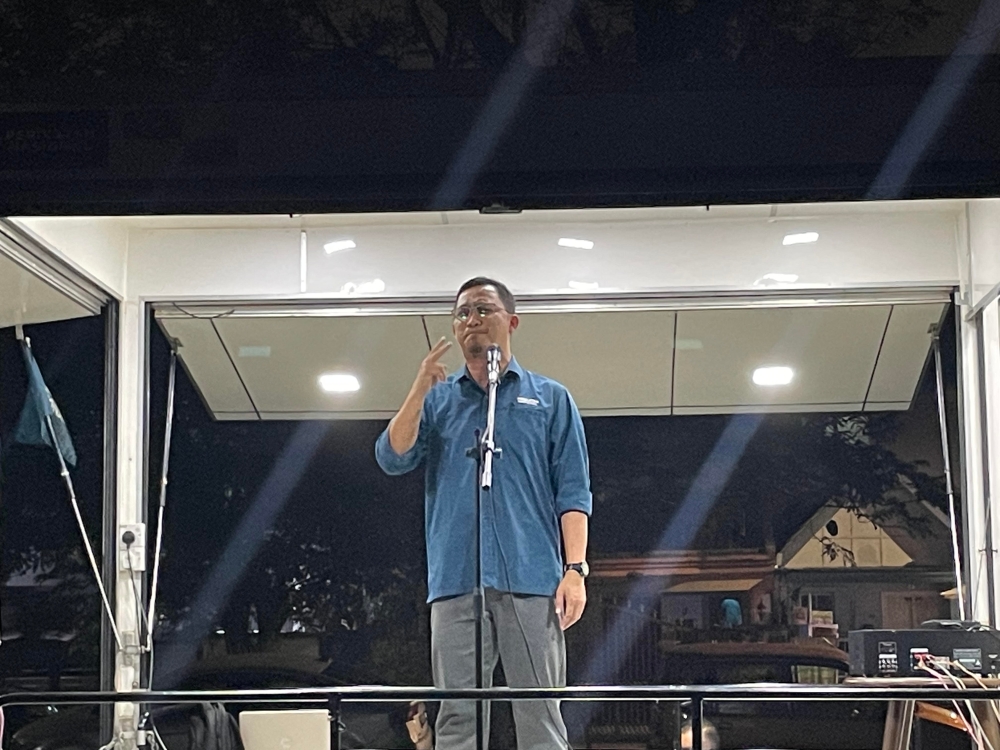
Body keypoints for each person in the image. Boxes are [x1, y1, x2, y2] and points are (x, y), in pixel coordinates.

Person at [375, 277, 592, 750]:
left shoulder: (552, 399)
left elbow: (573, 492)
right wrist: (417, 390)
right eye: (462, 313)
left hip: (534, 581)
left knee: (542, 716)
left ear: (511, 322)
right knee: (458, 718)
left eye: (483, 310)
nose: (471, 320)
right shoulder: (437, 401)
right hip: (455, 582)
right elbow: (392, 457)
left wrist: (575, 569)